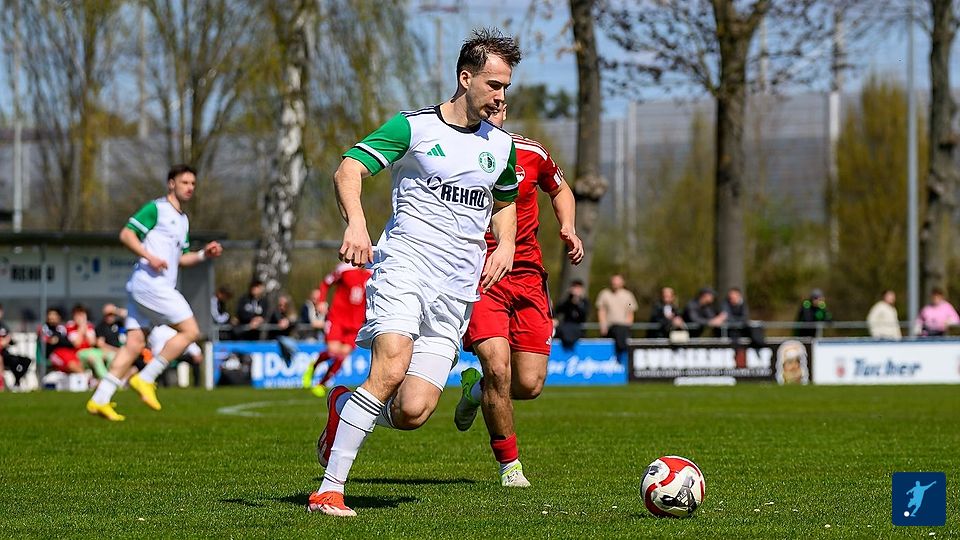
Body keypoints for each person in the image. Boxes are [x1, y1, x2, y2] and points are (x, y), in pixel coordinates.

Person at [309, 29, 521, 517]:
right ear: (465, 78)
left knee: (413, 410)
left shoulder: (500, 145)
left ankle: (342, 406)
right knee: (389, 367)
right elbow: (348, 168)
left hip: (457, 289)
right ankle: (329, 490)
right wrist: (357, 224)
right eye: (493, 84)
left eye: (506, 87)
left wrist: (505, 245)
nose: (500, 96)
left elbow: (505, 200)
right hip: (405, 266)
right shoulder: (413, 127)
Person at [453, 103, 583, 488]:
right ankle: (510, 466)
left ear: (505, 112)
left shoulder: (532, 152)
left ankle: (475, 390)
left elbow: (560, 189)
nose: (491, 113)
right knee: (498, 367)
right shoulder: (455, 151)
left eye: (498, 107)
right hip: (482, 275)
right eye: (485, 107)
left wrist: (569, 227)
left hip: (527, 276)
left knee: (528, 384)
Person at [85, 164, 223, 421]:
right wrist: (150, 256)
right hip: (150, 284)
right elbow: (127, 234)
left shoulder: (183, 220)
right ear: (171, 183)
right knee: (191, 331)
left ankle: (99, 399)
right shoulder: (156, 209)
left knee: (134, 344)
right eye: (184, 182)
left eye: (193, 184)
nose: (189, 188)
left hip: (148, 286)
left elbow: (180, 259)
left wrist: (204, 254)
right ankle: (146, 378)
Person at [302, 263, 372, 397]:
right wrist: (321, 301)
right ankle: (314, 366)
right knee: (333, 351)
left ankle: (321, 384)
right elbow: (326, 283)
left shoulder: (372, 274)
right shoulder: (345, 269)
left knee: (342, 356)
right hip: (337, 319)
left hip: (355, 323)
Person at [595, 274, 638, 360]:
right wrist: (603, 325)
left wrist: (629, 325)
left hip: (623, 328)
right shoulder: (605, 294)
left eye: (617, 281)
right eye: (614, 281)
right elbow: (602, 311)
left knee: (622, 343)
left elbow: (630, 310)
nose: (615, 283)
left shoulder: (628, 295)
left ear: (622, 283)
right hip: (609, 327)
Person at [67, 304, 111, 380]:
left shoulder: (89, 326)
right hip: (78, 353)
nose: (80, 318)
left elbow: (92, 343)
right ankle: (106, 380)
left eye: (82, 315)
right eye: (78, 315)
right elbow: (77, 344)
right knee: (95, 358)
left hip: (91, 350)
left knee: (111, 355)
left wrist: (86, 329)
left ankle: (113, 376)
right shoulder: (70, 327)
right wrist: (81, 329)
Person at [39, 308, 83, 375]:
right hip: (52, 354)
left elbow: (69, 343)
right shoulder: (44, 329)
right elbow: (50, 342)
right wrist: (59, 340)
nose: (52, 317)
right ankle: (85, 377)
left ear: (59, 317)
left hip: (65, 352)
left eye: (54, 315)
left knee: (78, 362)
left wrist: (59, 340)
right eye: (50, 315)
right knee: (71, 365)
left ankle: (85, 377)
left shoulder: (62, 329)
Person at [1, 303, 32, 390]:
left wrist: (8, 340)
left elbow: (10, 341)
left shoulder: (4, 326)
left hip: (5, 354)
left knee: (25, 361)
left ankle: (17, 382)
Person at [554, 279, 589, 350]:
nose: (576, 291)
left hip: (578, 328)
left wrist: (577, 302)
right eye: (574, 288)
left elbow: (584, 314)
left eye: (578, 288)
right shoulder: (567, 301)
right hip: (566, 328)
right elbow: (558, 310)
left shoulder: (585, 302)